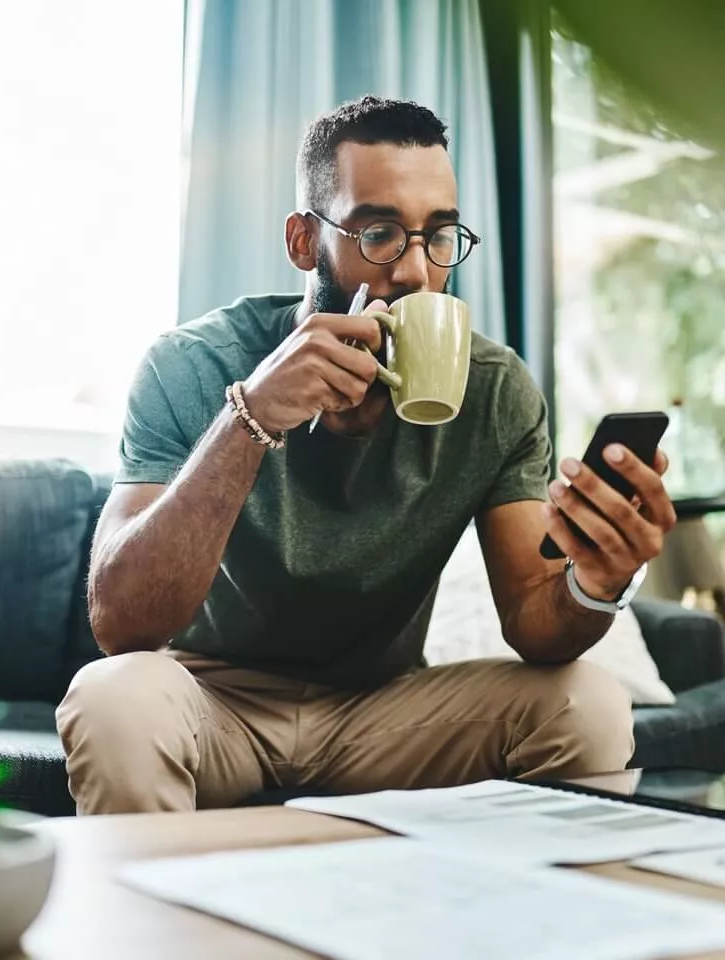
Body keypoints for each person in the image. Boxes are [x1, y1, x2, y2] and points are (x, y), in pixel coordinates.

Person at [56, 96, 676, 815]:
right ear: (301, 242)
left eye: (440, 235)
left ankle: (534, 926)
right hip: (212, 702)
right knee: (112, 699)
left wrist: (599, 580)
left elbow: (537, 628)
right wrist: (249, 419)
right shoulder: (191, 365)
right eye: (379, 232)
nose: (416, 272)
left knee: (587, 703)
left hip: (385, 714)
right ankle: (158, 927)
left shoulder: (495, 391)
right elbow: (121, 625)